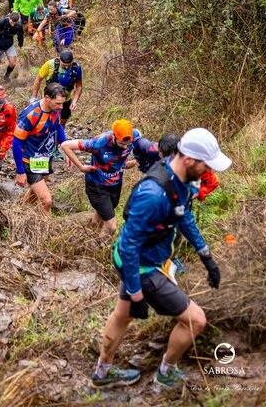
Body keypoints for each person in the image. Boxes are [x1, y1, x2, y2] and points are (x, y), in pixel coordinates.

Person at [90, 128, 231, 390]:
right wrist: (136, 293)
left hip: (137, 260)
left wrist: (206, 256)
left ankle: (102, 372)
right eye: (206, 165)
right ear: (188, 159)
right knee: (196, 320)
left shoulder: (180, 177)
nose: (208, 171)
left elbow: (184, 216)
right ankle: (166, 373)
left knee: (122, 316)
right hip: (141, 266)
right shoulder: (153, 195)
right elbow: (129, 245)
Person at [62, 119, 140, 237]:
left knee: (102, 213)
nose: (125, 147)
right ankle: (99, 244)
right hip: (97, 185)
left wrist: (134, 161)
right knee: (112, 226)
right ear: (114, 136)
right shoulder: (99, 142)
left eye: (128, 144)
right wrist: (81, 167)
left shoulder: (135, 134)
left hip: (115, 184)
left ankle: (90, 236)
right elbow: (65, 145)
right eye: (121, 144)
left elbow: (140, 144)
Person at [12, 83, 67, 215]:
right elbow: (16, 143)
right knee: (46, 200)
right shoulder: (30, 115)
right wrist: (20, 171)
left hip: (45, 157)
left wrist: (66, 146)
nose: (61, 107)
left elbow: (57, 126)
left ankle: (19, 213)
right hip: (30, 160)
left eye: (62, 103)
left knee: (35, 193)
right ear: (47, 98)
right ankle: (44, 226)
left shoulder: (56, 109)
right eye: (58, 103)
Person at [30, 49, 82, 127]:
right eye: (64, 65)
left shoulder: (76, 68)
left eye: (68, 65)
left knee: (61, 123)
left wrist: (74, 101)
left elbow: (79, 86)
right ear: (59, 59)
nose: (66, 67)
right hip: (50, 99)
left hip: (65, 100)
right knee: (46, 122)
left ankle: (59, 134)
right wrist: (34, 97)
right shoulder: (49, 64)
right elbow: (38, 79)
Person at [0, 12, 24, 83]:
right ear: (9, 18)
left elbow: (21, 35)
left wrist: (20, 45)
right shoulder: (1, 21)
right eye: (11, 22)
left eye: (14, 23)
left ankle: (6, 76)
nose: (12, 25)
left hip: (9, 45)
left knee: (13, 63)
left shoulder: (18, 25)